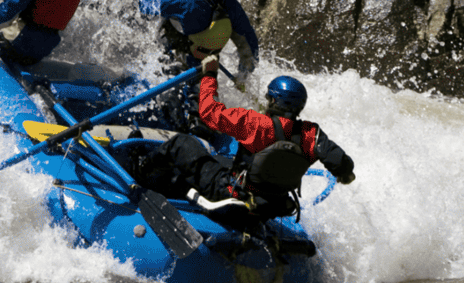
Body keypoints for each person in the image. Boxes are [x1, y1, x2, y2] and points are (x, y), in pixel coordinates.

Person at [127, 59, 355, 222]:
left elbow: (208, 112)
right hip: (272, 205)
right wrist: (346, 175)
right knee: (223, 161)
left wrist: (209, 76)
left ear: (274, 101)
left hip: (231, 194)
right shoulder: (311, 133)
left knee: (181, 143)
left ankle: (139, 170)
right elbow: (341, 163)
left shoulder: (254, 122)